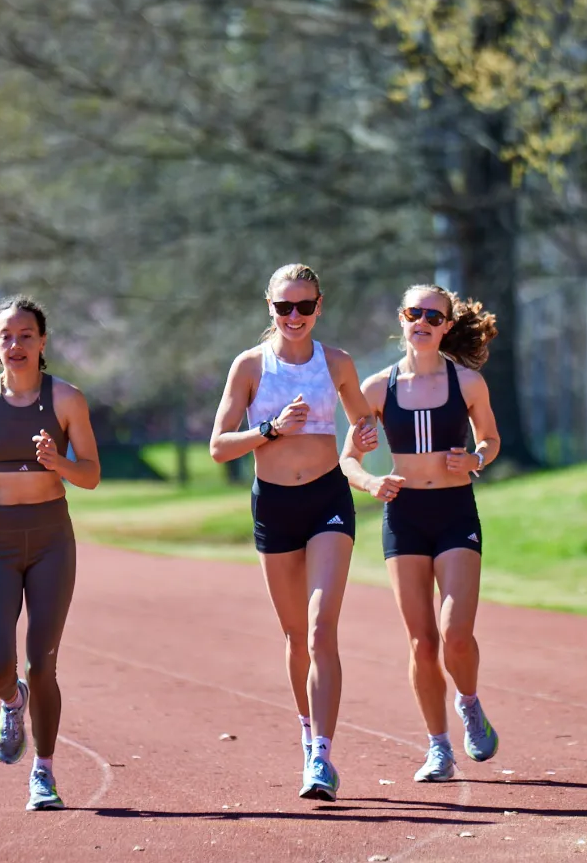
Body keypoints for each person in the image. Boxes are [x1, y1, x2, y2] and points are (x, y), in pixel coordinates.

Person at [209, 264, 378, 803]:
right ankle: (307, 734)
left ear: (319, 306)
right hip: (274, 504)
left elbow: (360, 423)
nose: (295, 317)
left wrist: (365, 436)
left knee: (320, 628)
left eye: (305, 306)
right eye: (285, 307)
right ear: (270, 308)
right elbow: (218, 445)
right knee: (293, 636)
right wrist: (270, 429)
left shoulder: (339, 364)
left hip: (327, 500)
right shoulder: (251, 366)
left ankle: (323, 757)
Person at [0, 295, 102, 812]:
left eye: (25, 335)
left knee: (42, 663)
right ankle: (12, 701)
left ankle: (44, 774)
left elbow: (91, 474)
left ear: (43, 342)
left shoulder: (68, 400)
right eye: (6, 336)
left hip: (52, 538)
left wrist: (59, 461)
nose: (15, 345)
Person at [341, 284, 503, 784]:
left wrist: (475, 457)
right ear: (402, 318)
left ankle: (469, 703)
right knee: (421, 642)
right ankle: (438, 748)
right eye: (416, 313)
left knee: (456, 635)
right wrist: (371, 481)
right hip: (404, 515)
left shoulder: (469, 384)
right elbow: (349, 457)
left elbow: (492, 439)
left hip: (455, 511)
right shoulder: (376, 389)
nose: (425, 321)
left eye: (435, 316)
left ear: (447, 326)